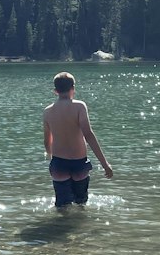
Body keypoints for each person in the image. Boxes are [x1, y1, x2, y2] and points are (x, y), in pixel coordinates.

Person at [42, 71, 113, 208]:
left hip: (59, 163)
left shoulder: (47, 111)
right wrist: (105, 164)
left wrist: (51, 157)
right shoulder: (79, 106)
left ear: (55, 91)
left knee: (62, 205)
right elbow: (88, 134)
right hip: (79, 162)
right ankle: (80, 227)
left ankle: (60, 226)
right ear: (73, 89)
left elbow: (47, 141)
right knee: (81, 203)